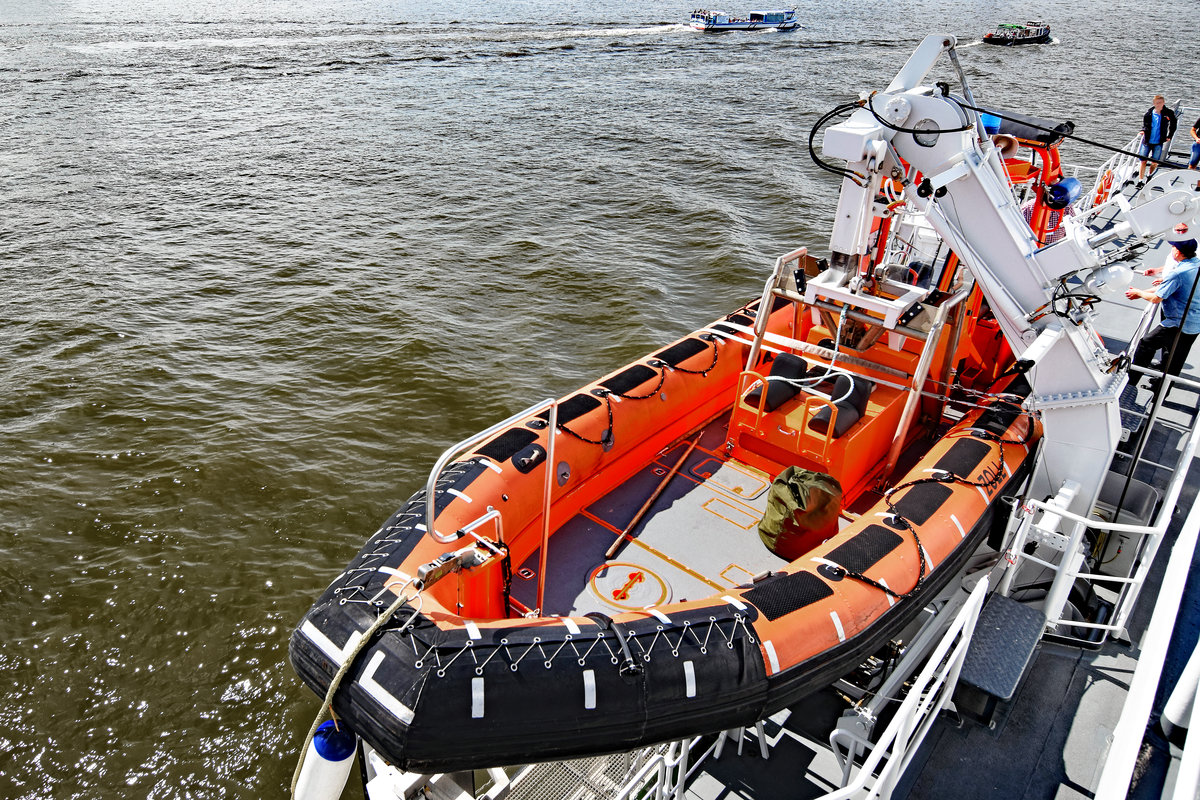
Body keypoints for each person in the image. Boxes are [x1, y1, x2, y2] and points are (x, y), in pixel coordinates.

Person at [1126, 238, 1200, 391]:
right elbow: (1168, 287)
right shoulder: (1196, 265)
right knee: (1176, 358)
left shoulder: (1179, 272)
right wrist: (1141, 292)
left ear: (1178, 252)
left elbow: (1156, 298)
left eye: (1173, 247)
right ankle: (1161, 391)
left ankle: (1130, 382)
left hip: (1177, 323)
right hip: (1195, 323)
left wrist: (1138, 292)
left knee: (1146, 344)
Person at [1136, 95, 1178, 184]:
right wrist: (1143, 131)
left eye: (1160, 103)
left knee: (1155, 162)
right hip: (1147, 141)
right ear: (1154, 103)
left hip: (1158, 141)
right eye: (1156, 103)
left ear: (1163, 103)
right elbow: (1145, 125)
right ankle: (1140, 180)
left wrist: (1169, 135)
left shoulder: (1168, 113)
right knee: (1143, 160)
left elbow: (1173, 124)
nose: (1158, 105)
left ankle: (1149, 174)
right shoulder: (1149, 114)